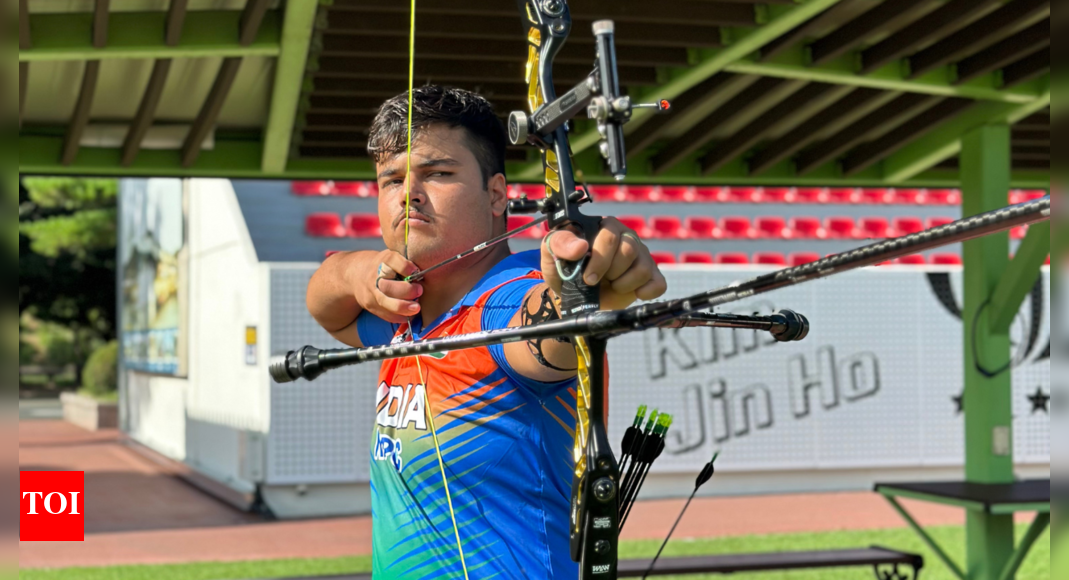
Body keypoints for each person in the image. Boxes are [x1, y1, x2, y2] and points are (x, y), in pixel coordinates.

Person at [306, 85, 667, 579]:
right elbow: (327, 308)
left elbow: (547, 331)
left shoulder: (505, 302)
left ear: (497, 194)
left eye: (438, 173)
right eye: (391, 179)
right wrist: (352, 270)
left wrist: (582, 283)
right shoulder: (402, 308)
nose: (409, 192)